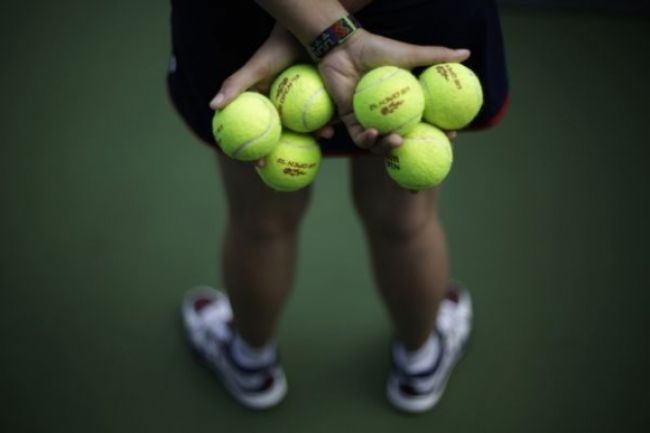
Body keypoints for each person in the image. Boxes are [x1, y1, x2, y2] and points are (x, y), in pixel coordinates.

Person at [169, 0, 508, 413]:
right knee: (406, 221)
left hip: (249, 20)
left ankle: (250, 364)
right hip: (407, 14)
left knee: (260, 223)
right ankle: (420, 364)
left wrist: (306, 26)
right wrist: (329, 32)